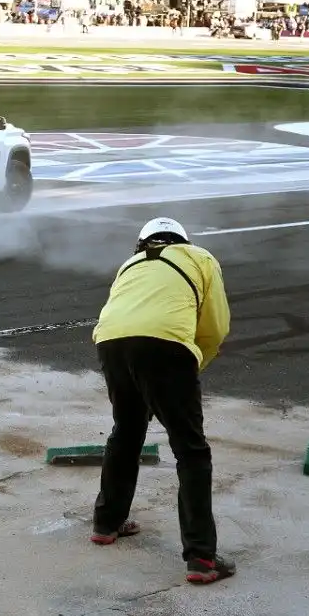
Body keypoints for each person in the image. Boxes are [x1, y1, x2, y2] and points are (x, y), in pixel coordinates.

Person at [88, 218, 234, 585]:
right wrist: (193, 364)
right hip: (166, 345)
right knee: (191, 450)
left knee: (126, 431)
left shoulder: (130, 264)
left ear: (142, 244)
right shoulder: (200, 258)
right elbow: (215, 327)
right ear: (184, 240)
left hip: (110, 344)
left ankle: (106, 523)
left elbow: (122, 313)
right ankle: (202, 557)